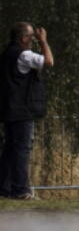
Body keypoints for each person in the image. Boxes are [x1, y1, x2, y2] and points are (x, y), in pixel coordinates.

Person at [0, 23, 52, 201]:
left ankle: (4, 187)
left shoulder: (6, 54)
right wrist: (43, 41)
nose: (33, 39)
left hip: (8, 109)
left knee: (10, 149)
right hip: (22, 110)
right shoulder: (24, 54)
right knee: (22, 149)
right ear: (23, 38)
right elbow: (48, 61)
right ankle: (20, 189)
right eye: (31, 36)